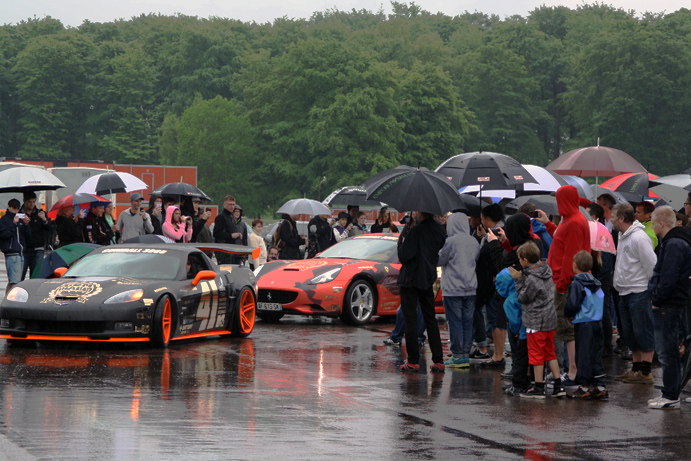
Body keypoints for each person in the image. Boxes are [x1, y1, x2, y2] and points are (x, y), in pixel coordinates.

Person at [537, 185, 591, 387]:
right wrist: (550, 224)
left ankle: (573, 372)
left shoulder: (575, 221)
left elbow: (572, 256)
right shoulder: (571, 219)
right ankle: (570, 370)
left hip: (565, 282)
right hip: (563, 280)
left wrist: (561, 285)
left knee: (567, 329)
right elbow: (562, 240)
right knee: (565, 329)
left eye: (559, 201)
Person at [647, 206, 691, 409]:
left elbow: (669, 277)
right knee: (670, 349)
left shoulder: (673, 244)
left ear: (661, 223)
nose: (652, 226)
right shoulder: (676, 241)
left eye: (654, 222)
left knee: (667, 351)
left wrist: (657, 297)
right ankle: (671, 393)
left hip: (668, 304)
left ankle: (670, 394)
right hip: (672, 302)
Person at [510, 241, 566, 399]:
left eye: (520, 259)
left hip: (535, 321)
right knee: (550, 352)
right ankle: (558, 385)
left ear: (525, 260)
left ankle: (539, 387)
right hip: (550, 319)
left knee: (536, 354)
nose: (520, 262)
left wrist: (518, 279)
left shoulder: (532, 279)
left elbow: (523, 297)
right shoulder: (545, 269)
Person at [611, 203, 657, 385]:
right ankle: (636, 368)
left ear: (622, 219)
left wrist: (652, 291)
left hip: (638, 291)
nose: (611, 220)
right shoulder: (623, 235)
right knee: (630, 333)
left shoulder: (639, 237)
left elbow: (652, 265)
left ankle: (646, 371)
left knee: (642, 331)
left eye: (613, 217)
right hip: (624, 291)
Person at [398, 211, 447, 373]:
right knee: (430, 318)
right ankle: (438, 359)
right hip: (428, 277)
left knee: (410, 319)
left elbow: (404, 255)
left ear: (420, 213)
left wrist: (406, 232)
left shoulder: (416, 231)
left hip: (411, 278)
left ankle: (413, 360)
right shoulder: (440, 230)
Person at [564, 250, 608, 399]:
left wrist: (568, 314)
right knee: (596, 354)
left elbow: (573, 303)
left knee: (582, 354)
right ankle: (600, 384)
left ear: (575, 265)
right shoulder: (596, 282)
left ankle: (583, 385)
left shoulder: (577, 283)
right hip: (597, 321)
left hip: (583, 323)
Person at [439, 212, 480, 368]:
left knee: (455, 321)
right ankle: (465, 354)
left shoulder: (450, 242)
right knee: (467, 322)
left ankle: (457, 355)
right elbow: (475, 258)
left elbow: (441, 260)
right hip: (470, 287)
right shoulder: (474, 241)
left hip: (452, 288)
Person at [472, 204, 504, 362]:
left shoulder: (497, 234)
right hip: (489, 281)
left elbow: (492, 257)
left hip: (491, 283)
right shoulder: (491, 233)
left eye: (482, 217)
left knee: (493, 317)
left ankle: (497, 354)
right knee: (491, 316)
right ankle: (492, 350)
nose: (481, 220)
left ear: (488, 218)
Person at [0, 198, 31, 294]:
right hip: (12, 253)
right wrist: (14, 224)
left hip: (20, 252)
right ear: (8, 207)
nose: (16, 211)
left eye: (17, 209)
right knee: (15, 282)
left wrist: (26, 225)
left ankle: (6, 301)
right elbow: (4, 235)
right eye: (14, 208)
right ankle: (12, 302)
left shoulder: (20, 220)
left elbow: (27, 236)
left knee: (14, 281)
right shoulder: (4, 220)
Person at [19, 191, 51, 281]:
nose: (32, 204)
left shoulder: (40, 213)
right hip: (24, 249)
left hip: (38, 249)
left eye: (34, 202)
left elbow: (49, 229)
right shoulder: (20, 214)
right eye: (29, 202)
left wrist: (44, 219)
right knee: (19, 277)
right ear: (24, 201)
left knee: (36, 277)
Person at [214, 195, 244, 263]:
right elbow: (216, 233)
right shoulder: (220, 217)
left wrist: (237, 234)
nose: (232, 206)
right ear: (224, 204)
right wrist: (230, 235)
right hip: (223, 251)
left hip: (231, 251)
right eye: (230, 204)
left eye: (233, 204)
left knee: (232, 271)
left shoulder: (231, 217)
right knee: (226, 271)